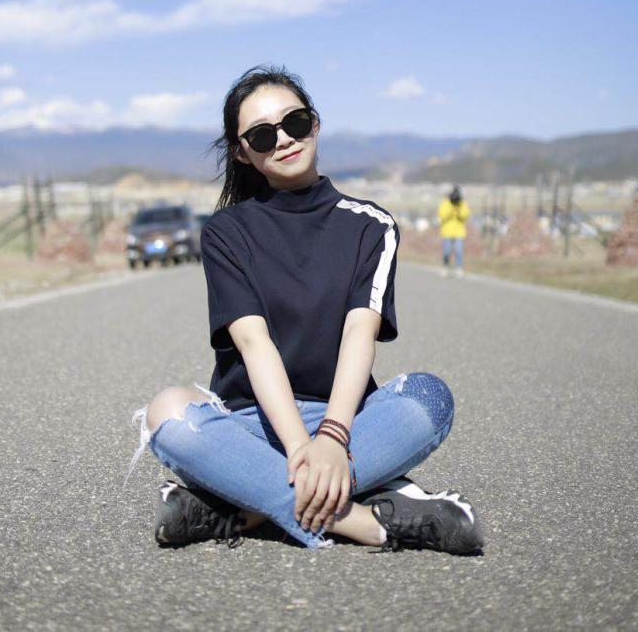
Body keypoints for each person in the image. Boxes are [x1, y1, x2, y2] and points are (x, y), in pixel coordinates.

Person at [125, 64, 484, 554]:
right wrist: (300, 448)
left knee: (429, 397)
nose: (284, 140)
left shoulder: (371, 226)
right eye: (262, 135)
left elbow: (360, 333)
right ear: (242, 152)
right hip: (252, 426)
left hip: (349, 422)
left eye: (293, 123)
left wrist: (333, 438)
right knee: (168, 413)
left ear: (314, 122)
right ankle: (367, 521)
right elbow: (254, 344)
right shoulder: (226, 233)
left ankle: (239, 507)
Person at [438, 185, 470, 278]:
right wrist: (451, 211)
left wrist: (459, 212)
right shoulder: (445, 203)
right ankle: (445, 267)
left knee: (459, 251)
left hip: (459, 232)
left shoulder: (462, 204)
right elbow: (442, 215)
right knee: (446, 251)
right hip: (447, 232)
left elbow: (466, 215)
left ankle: (459, 268)